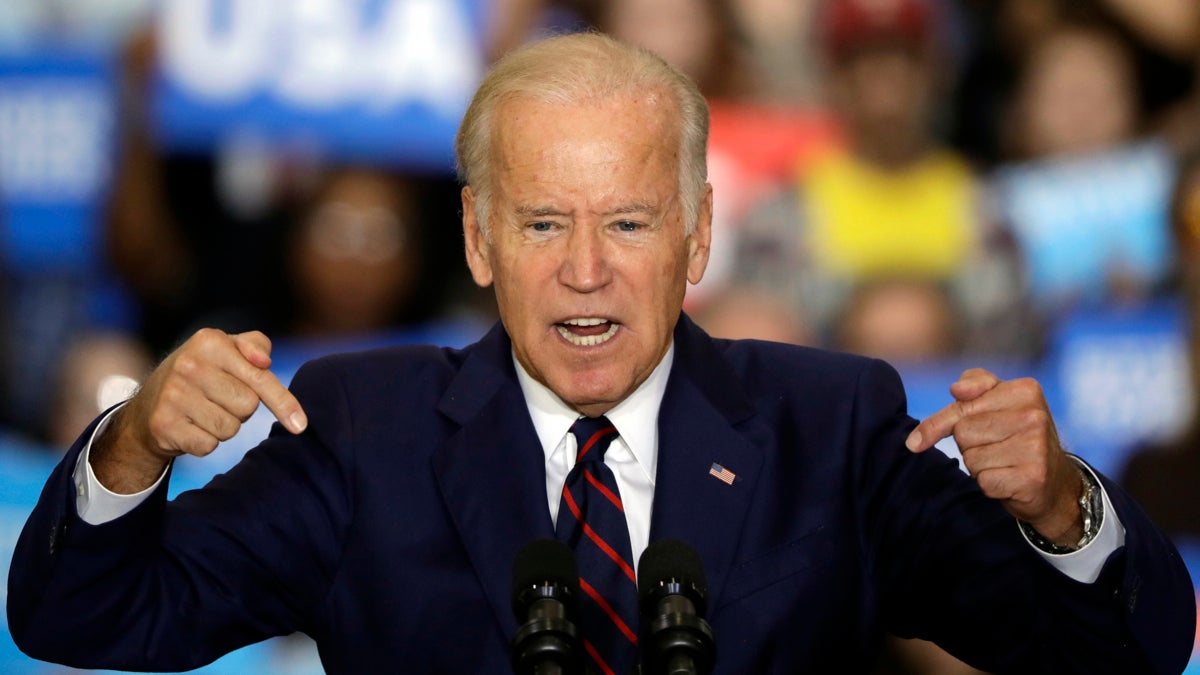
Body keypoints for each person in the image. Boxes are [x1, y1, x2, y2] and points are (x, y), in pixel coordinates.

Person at [8, 32, 1195, 675]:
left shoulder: (826, 426)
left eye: (628, 222)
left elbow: (1120, 658)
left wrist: (1060, 508)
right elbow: (81, 619)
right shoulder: (366, 432)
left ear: (699, 236)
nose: (586, 270)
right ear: (478, 237)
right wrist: (132, 446)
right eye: (540, 223)